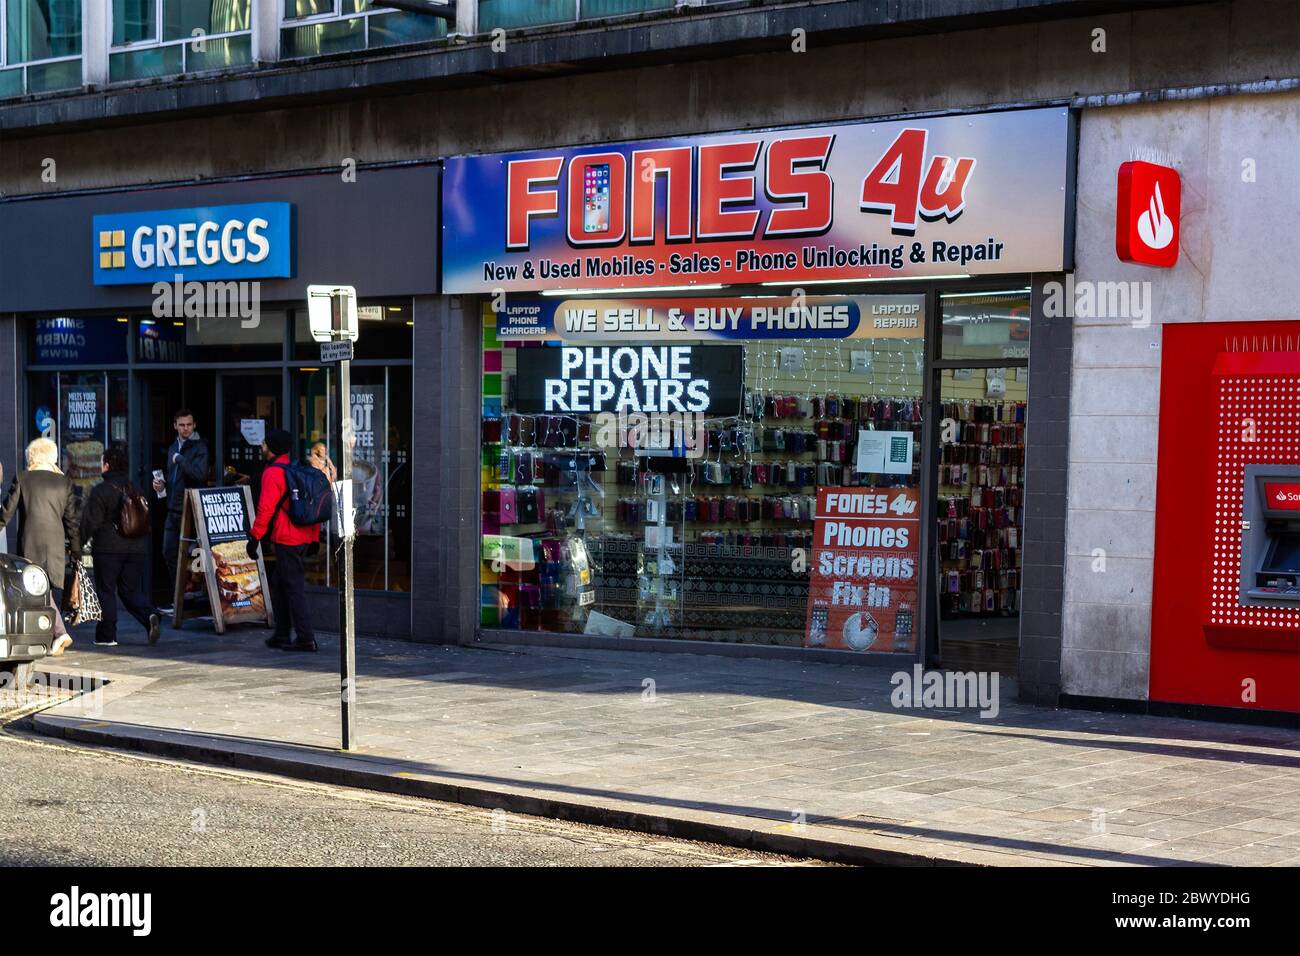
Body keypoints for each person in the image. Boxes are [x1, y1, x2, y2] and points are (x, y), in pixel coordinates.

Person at [0, 438, 80, 656]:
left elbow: (7, 512)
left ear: (31, 457)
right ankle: (51, 637)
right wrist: (76, 550)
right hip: (55, 546)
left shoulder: (24, 478)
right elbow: (71, 521)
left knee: (36, 591)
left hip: (30, 543)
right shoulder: (64, 483)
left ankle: (59, 633)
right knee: (48, 591)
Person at [80, 447, 162, 648]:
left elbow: (90, 522)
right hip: (136, 548)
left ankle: (107, 636)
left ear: (106, 465)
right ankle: (149, 614)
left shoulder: (101, 490)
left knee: (106, 591)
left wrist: (77, 544)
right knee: (129, 590)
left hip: (108, 549)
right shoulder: (136, 488)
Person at [249, 429, 319, 652]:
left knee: (294, 587)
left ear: (273, 448)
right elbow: (312, 502)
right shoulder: (295, 467)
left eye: (264, 444)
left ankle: (306, 638)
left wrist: (254, 537)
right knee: (279, 583)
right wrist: (315, 536)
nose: (262, 448)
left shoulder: (272, 473)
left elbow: (265, 509)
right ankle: (281, 634)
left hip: (287, 538)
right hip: (302, 536)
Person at [153, 408, 209, 605]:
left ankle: (195, 596)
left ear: (194, 426)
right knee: (169, 551)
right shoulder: (172, 448)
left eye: (189, 425)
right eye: (182, 425)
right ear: (175, 426)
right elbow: (174, 477)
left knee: (195, 553)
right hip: (173, 507)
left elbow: (199, 475)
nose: (185, 429)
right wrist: (162, 485)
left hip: (192, 509)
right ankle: (179, 594)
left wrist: (181, 459)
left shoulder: (199, 447)